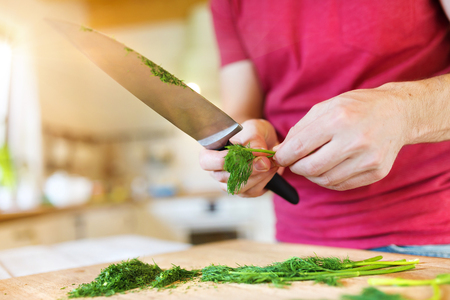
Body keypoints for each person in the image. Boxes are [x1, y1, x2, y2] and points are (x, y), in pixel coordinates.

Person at [199, 0, 450, 258]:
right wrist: (249, 143)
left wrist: (403, 113)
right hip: (296, 246)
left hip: (428, 239)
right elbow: (243, 114)